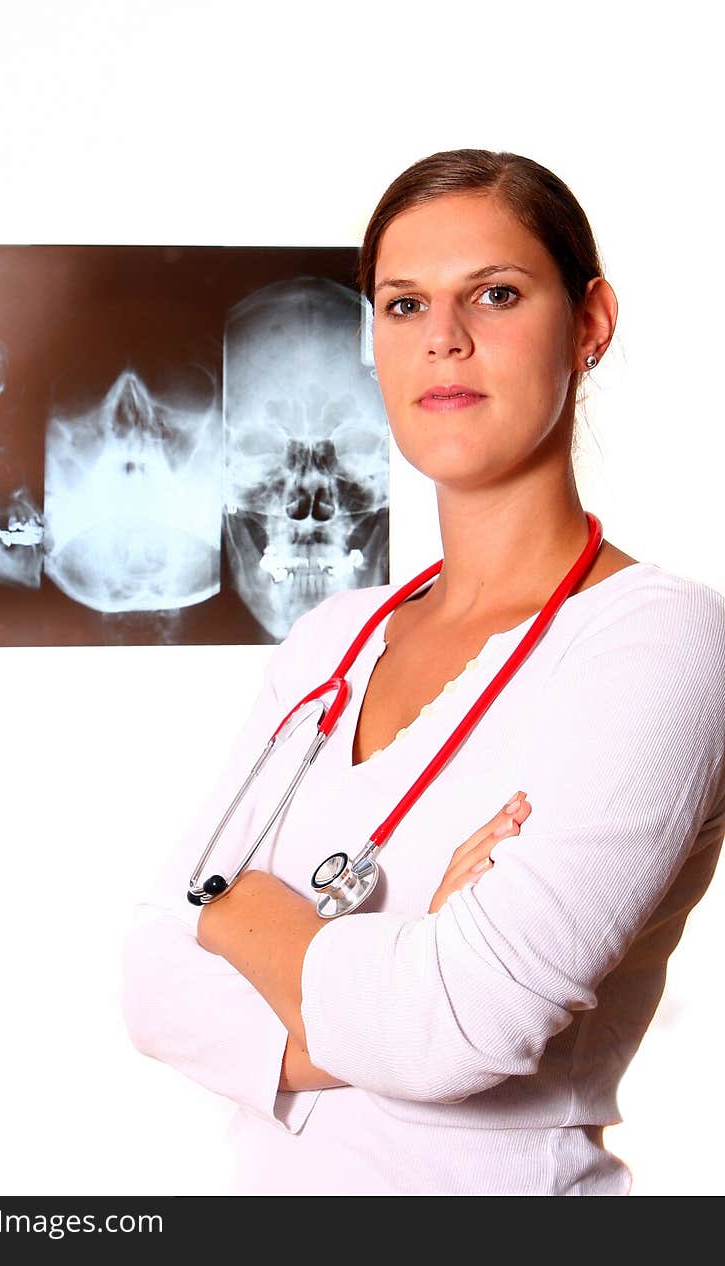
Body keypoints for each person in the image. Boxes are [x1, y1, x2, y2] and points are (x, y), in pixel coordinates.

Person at [121, 148, 725, 1196]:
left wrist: (249, 923)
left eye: (495, 294)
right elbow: (152, 985)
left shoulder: (656, 644)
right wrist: (395, 969)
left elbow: (453, 1032)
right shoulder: (332, 642)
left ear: (589, 325)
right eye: (403, 305)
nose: (443, 338)